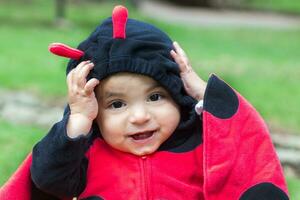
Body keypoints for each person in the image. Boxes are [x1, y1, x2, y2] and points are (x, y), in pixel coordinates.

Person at [0, 5, 289, 200]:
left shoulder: (199, 144)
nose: (139, 116)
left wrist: (204, 94)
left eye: (155, 97)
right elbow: (47, 181)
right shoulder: (86, 153)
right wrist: (77, 121)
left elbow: (245, 147)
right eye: (116, 105)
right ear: (95, 113)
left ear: (178, 95)